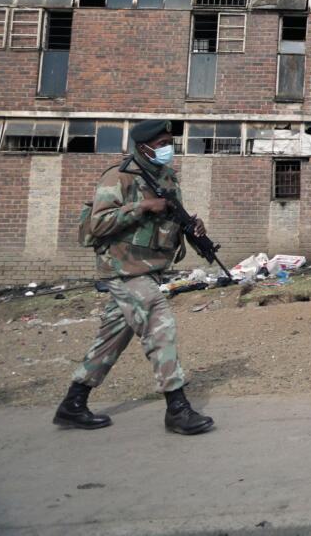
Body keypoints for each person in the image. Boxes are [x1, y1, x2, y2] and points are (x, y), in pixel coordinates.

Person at [53, 120, 216, 434]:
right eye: (163, 142)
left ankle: (73, 403)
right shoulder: (120, 176)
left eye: (171, 141)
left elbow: (170, 217)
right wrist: (141, 207)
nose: (169, 147)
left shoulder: (167, 177)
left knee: (113, 336)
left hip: (148, 268)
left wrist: (193, 226)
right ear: (143, 146)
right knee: (159, 322)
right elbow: (97, 224)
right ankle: (177, 408)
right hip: (123, 269)